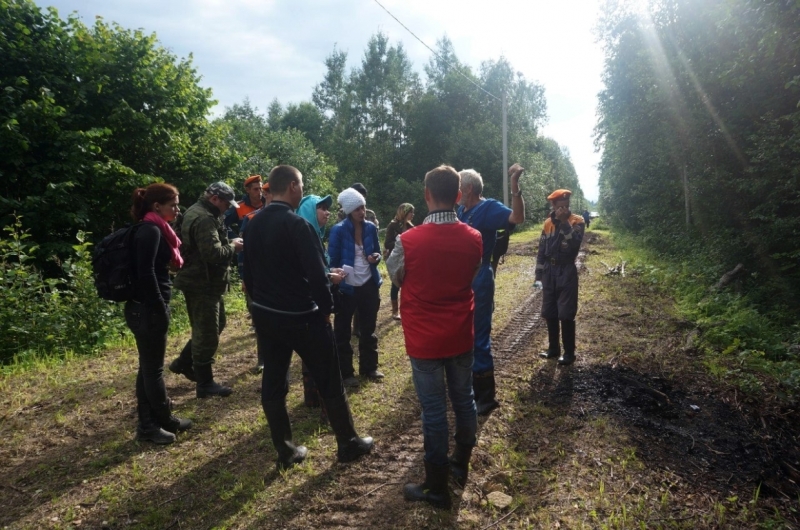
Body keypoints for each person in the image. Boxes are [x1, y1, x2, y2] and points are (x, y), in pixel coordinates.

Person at [242, 165, 373, 470]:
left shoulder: (253, 224)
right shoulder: (298, 225)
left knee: (274, 381)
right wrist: (327, 310)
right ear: (292, 186)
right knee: (329, 378)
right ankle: (348, 443)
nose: (302, 189)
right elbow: (316, 275)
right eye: (301, 184)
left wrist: (259, 306)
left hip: (267, 316)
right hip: (303, 317)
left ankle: (286, 451)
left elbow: (247, 273)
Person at [387, 165, 483, 509]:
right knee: (464, 398)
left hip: (424, 340)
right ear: (458, 196)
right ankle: (461, 462)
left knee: (433, 410)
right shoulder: (474, 237)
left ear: (426, 195)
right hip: (460, 333)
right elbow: (471, 273)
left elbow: (396, 277)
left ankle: (437, 486)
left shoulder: (407, 241)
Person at [457, 164, 526, 415]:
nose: (456, 192)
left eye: (458, 187)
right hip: (461, 278)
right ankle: (469, 386)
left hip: (480, 277)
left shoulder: (488, 208)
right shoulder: (461, 210)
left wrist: (514, 186)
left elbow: (517, 218)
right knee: (463, 333)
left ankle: (486, 396)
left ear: (468, 188)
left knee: (479, 334)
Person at [127, 183, 192, 445]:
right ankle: (163, 420)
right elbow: (146, 274)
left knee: (147, 368)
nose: (177, 209)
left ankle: (148, 424)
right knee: (153, 371)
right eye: (172, 205)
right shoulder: (151, 231)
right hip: (148, 310)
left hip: (144, 308)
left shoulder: (152, 228)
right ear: (157, 206)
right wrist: (158, 308)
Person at [169, 182, 243, 398]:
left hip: (206, 282)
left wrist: (228, 242)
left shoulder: (200, 211)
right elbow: (213, 254)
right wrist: (234, 247)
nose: (227, 209)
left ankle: (184, 362)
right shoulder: (204, 218)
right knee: (207, 332)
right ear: (215, 199)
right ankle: (205, 384)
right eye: (226, 204)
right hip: (201, 283)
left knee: (215, 324)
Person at [329, 187, 384, 387]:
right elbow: (332, 259)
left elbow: (377, 252)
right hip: (347, 286)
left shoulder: (370, 228)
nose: (362, 212)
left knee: (368, 328)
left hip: (368, 283)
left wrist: (375, 257)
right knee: (342, 331)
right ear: (349, 211)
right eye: (357, 209)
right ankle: (346, 373)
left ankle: (369, 367)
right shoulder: (338, 230)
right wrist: (335, 272)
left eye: (363, 207)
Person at [296, 192, 337, 410]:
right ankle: (318, 399)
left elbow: (320, 268)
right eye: (322, 208)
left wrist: (330, 272)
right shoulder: (302, 237)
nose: (327, 213)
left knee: (315, 351)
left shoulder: (316, 235)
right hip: (309, 303)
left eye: (327, 208)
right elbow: (308, 273)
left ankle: (315, 398)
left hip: (316, 299)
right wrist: (329, 278)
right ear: (309, 211)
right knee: (317, 350)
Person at [536, 189, 585, 365]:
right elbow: (542, 250)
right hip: (549, 271)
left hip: (566, 270)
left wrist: (564, 223)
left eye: (566, 206)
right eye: (560, 207)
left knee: (566, 312)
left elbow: (574, 246)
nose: (564, 210)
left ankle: (569, 353)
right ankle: (553, 349)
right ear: (553, 205)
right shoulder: (547, 223)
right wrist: (538, 275)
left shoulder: (577, 221)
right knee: (549, 311)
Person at [238, 181, 273, 373]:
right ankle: (263, 359)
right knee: (261, 318)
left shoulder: (291, 217)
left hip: (281, 278)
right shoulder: (251, 218)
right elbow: (243, 253)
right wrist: (244, 277)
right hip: (259, 277)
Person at [383, 203, 415, 320]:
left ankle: (406, 308)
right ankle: (395, 311)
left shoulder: (411, 227)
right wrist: (401, 243)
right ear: (404, 212)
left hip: (407, 259)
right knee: (395, 284)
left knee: (407, 284)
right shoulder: (393, 225)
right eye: (411, 212)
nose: (413, 214)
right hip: (395, 259)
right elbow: (387, 243)